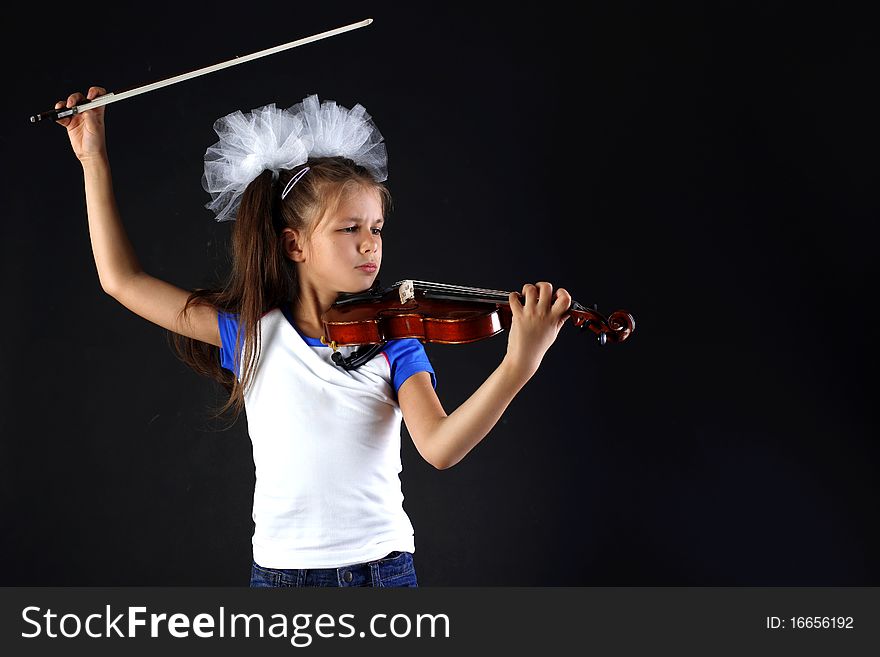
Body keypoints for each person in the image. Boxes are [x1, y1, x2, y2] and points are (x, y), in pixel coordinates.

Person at [55, 86, 572, 587]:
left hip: (380, 574)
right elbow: (120, 280)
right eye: (350, 229)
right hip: (280, 579)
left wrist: (518, 365)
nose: (371, 244)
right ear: (295, 244)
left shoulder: (395, 338)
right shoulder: (251, 334)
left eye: (377, 228)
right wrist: (93, 157)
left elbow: (440, 448)